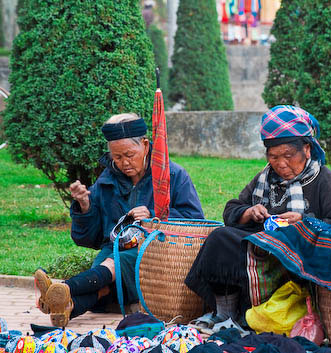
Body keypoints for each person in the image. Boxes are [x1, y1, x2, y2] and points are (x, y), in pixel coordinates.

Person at [185, 105, 331, 330]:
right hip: (263, 246)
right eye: (273, 156)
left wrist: (304, 223)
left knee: (265, 251)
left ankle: (249, 315)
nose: (281, 164)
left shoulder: (324, 180)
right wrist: (249, 212)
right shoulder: (265, 178)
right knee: (220, 238)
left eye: (288, 155)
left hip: (299, 255)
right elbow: (232, 209)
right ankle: (224, 313)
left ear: (307, 150)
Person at [34, 113, 204, 327]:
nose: (124, 162)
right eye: (117, 157)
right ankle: (66, 306)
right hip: (113, 252)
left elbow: (196, 221)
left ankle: (63, 288)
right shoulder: (107, 179)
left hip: (155, 254)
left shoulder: (172, 175)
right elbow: (88, 238)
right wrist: (84, 206)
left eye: (129, 154)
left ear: (145, 144)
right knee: (103, 283)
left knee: (116, 264)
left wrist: (154, 218)